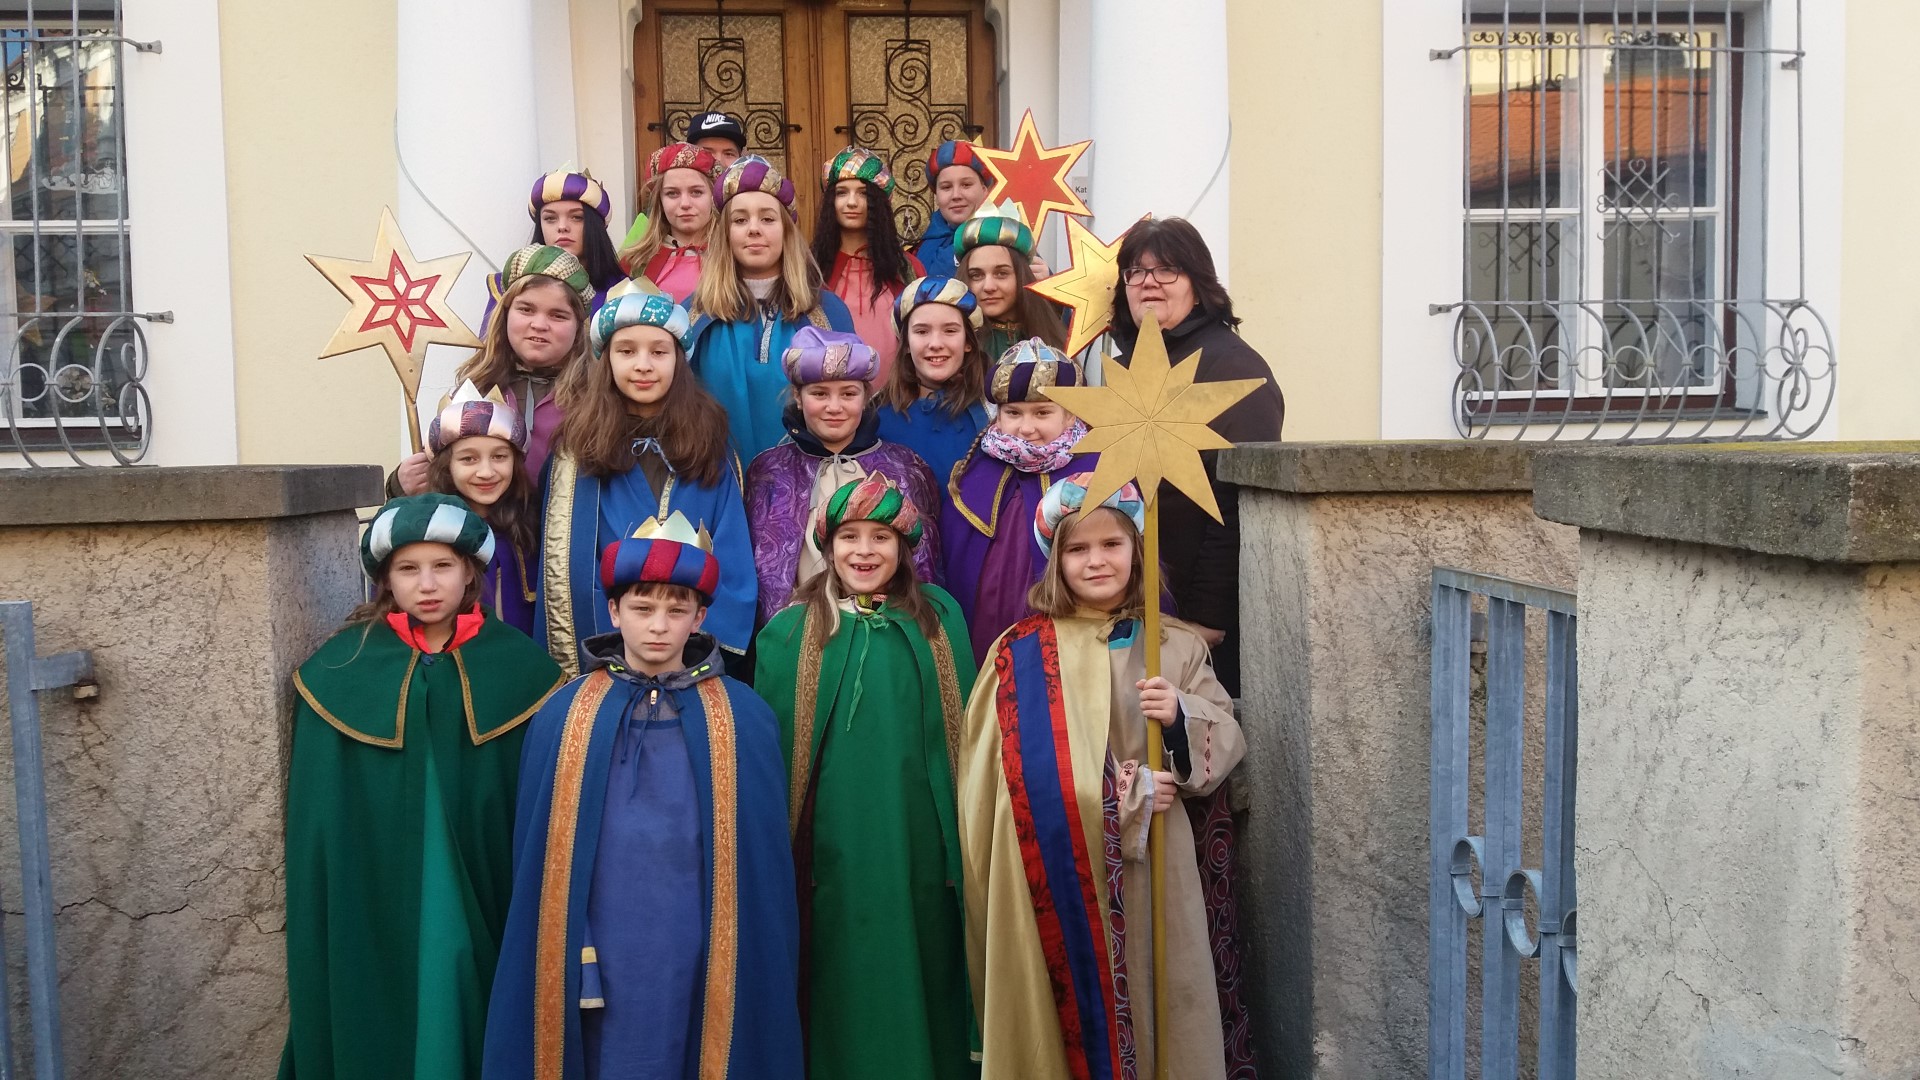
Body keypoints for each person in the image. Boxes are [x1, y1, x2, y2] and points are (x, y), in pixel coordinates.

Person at [483, 512, 803, 1080]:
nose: (658, 626)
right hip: (601, 948)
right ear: (613, 611)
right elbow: (540, 871)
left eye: (677, 611)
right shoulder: (564, 716)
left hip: (701, 946)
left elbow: (762, 878)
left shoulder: (744, 719)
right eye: (641, 608)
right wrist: (575, 950)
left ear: (700, 617)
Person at [959, 474, 1247, 1080]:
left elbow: (1224, 740)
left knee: (1161, 998)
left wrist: (1179, 716)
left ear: (1137, 550)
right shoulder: (1017, 654)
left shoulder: (1173, 647)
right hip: (1058, 876)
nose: (1096, 561)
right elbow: (1005, 784)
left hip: (1157, 870)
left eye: (1112, 544)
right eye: (1077, 549)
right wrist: (1122, 794)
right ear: (1054, 562)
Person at [281, 493, 565, 1079]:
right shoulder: (339, 671)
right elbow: (321, 824)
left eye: (443, 566)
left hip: (485, 885)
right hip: (377, 891)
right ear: (386, 579)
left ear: (470, 574)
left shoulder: (524, 671)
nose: (427, 584)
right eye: (408, 568)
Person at [754, 474, 975, 1080]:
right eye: (849, 536)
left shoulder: (939, 620)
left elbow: (968, 737)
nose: (865, 550)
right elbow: (776, 761)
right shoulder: (790, 633)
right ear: (827, 547)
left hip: (922, 844)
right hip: (833, 852)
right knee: (844, 964)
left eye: (881, 537)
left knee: (924, 952)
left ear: (904, 548)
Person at [538, 287, 755, 678]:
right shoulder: (574, 453)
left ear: (679, 360)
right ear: (606, 360)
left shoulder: (711, 446)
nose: (643, 365)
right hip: (608, 651)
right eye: (626, 351)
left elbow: (732, 554)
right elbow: (570, 568)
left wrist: (694, 648)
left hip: (692, 656)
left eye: (658, 352)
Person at [1108, 217, 1284, 698]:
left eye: (1167, 269)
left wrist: (1208, 615)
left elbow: (1238, 503)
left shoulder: (1232, 369)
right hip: (1129, 604)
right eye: (1135, 271)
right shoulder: (1124, 369)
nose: (1148, 282)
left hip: (1194, 618)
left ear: (1198, 283)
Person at [744, 326, 943, 623]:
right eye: (819, 393)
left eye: (848, 393)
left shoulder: (906, 468)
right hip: (797, 629)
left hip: (885, 629)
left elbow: (924, 566)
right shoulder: (769, 472)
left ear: (865, 396)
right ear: (798, 396)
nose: (834, 407)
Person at [688, 155, 857, 462]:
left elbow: (847, 407)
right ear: (724, 234)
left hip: (806, 479)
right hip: (716, 478)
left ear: (786, 230)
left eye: (767, 219)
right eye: (740, 220)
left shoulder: (828, 312)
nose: (754, 229)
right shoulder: (693, 315)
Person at [396, 244, 595, 494]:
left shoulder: (598, 398)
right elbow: (442, 483)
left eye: (558, 315)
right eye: (526, 309)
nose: (539, 324)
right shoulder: (471, 395)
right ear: (505, 315)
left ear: (579, 325)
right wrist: (401, 485)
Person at [942, 338, 1093, 661]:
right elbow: (954, 565)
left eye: (1042, 412)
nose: (1026, 428)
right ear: (997, 416)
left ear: (1070, 415)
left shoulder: (1099, 471)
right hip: (987, 632)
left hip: (1073, 637)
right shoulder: (973, 473)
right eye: (1013, 413)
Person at [425, 381, 540, 636]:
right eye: (469, 459)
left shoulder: (534, 526)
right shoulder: (427, 533)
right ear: (447, 466)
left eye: (499, 456)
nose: (486, 472)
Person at [811, 146, 924, 380]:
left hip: (897, 392)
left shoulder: (907, 268)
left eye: (863, 193)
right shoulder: (811, 268)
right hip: (830, 393)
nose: (851, 202)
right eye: (841, 193)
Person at [874, 276, 992, 488]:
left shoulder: (994, 414)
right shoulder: (876, 417)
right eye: (922, 331)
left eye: (950, 331)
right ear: (906, 343)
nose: (935, 344)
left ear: (968, 341)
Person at [483, 169, 625, 328]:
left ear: (596, 226)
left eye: (577, 217)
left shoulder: (625, 291)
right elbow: (492, 343)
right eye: (550, 218)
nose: (562, 227)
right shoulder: (508, 285)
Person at [956, 202, 1069, 362]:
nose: (989, 287)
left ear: (1023, 276)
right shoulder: (956, 344)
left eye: (1001, 274)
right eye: (976, 275)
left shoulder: (1050, 336)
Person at [617, 142, 720, 304]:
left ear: (713, 197)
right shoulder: (635, 262)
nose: (685, 203)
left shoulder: (733, 257)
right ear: (660, 201)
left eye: (696, 192)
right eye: (672, 193)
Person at [914, 140, 990, 278]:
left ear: (984, 190)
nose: (956, 195)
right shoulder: (919, 251)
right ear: (936, 195)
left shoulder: (1006, 239)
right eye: (946, 187)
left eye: (966, 185)